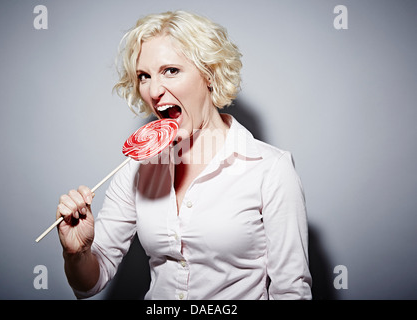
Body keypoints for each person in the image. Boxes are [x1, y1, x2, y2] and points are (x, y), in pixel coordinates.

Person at [56, 10, 312, 300]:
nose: (153, 91)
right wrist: (76, 253)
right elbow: (90, 282)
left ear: (209, 74)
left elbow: (292, 292)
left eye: (171, 71)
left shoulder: (270, 169)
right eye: (144, 76)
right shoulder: (137, 168)